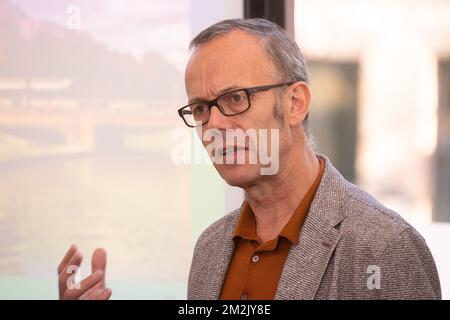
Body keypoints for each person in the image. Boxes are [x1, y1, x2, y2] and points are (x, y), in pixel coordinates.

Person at [57, 18, 441, 300]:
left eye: (236, 99)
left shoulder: (387, 247)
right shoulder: (210, 248)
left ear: (295, 103)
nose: (215, 125)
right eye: (201, 108)